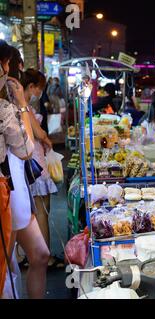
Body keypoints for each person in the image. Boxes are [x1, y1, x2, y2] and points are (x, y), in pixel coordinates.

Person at [0, 40, 38, 298]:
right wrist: (22, 104)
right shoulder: (5, 108)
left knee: (20, 260)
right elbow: (26, 149)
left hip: (13, 190)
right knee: (5, 266)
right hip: (7, 192)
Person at [21, 69, 60, 269]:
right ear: (31, 87)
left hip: (33, 164)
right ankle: (45, 257)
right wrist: (46, 138)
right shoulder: (24, 108)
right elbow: (40, 134)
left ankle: (34, 255)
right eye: (39, 88)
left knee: (35, 212)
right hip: (36, 166)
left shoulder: (23, 107)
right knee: (42, 212)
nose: (39, 92)